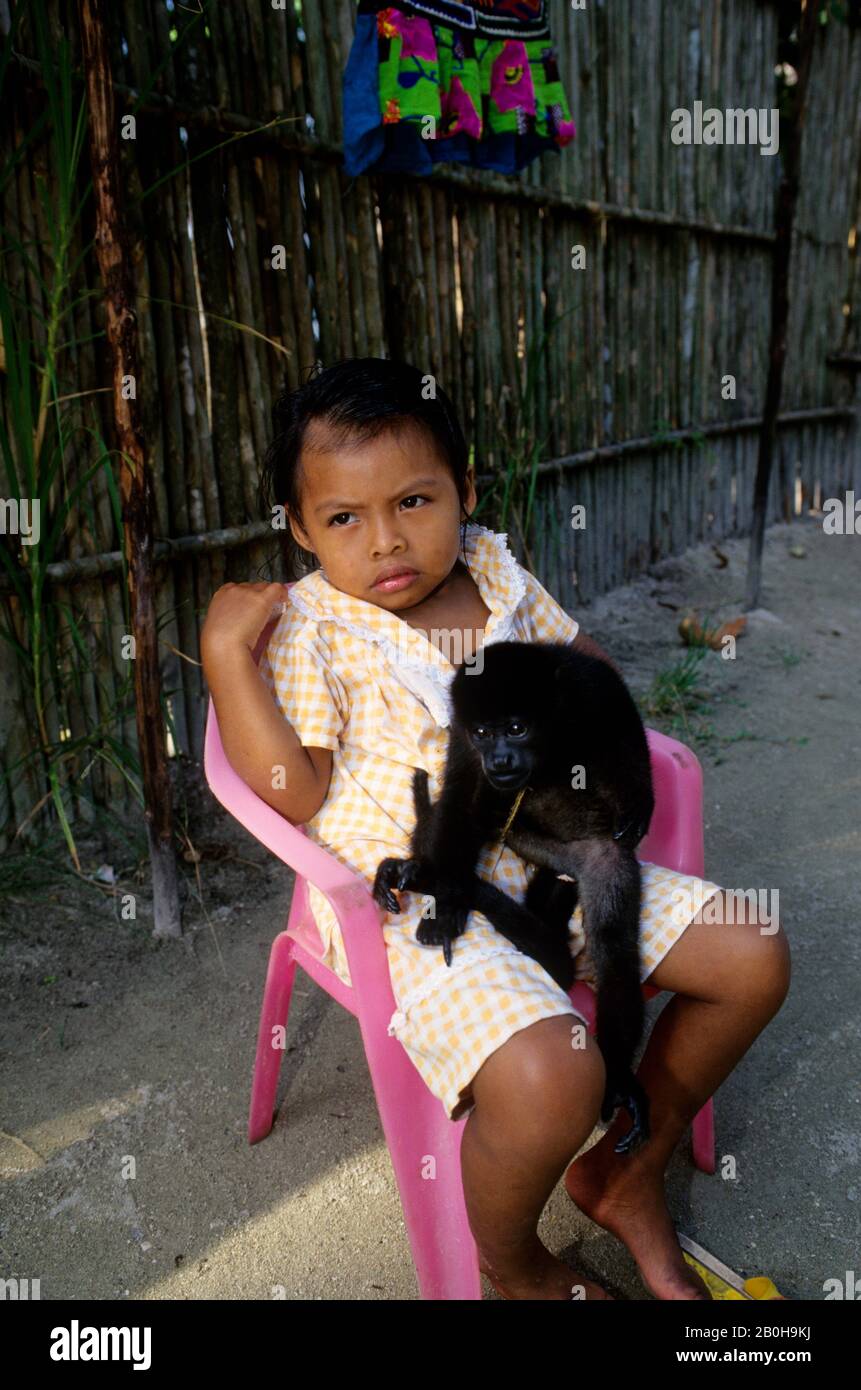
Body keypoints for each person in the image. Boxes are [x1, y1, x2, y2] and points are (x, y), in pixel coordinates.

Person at [200, 357, 791, 1301]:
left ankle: (630, 1160)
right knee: (559, 1075)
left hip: (551, 861)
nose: (387, 542)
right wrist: (227, 656)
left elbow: (580, 667)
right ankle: (512, 1263)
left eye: (416, 501)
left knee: (751, 955)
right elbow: (294, 794)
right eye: (345, 519)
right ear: (302, 529)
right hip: (419, 910)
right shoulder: (316, 630)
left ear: (465, 493)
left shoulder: (495, 575)